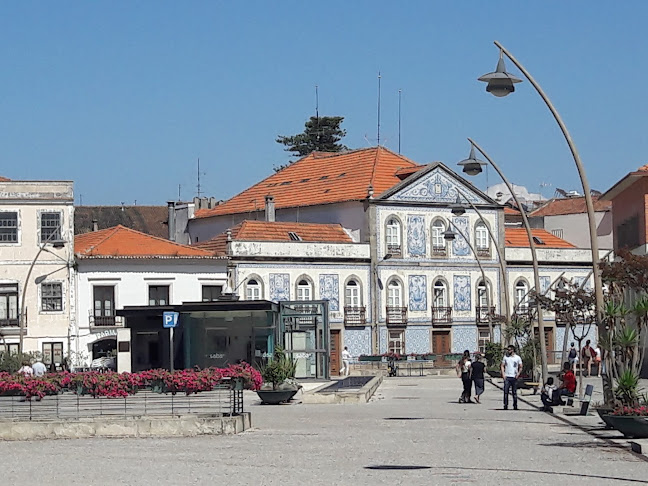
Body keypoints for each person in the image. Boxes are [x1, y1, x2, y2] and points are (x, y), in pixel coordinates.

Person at [500, 345, 522, 410]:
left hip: (514, 376)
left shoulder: (517, 358)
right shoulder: (505, 357)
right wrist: (503, 374)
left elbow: (520, 366)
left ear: (512, 350)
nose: (508, 351)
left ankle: (515, 405)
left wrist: (518, 373)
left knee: (514, 392)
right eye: (508, 350)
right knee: (506, 392)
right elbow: (502, 365)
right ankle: (505, 405)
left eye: (509, 350)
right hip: (507, 376)